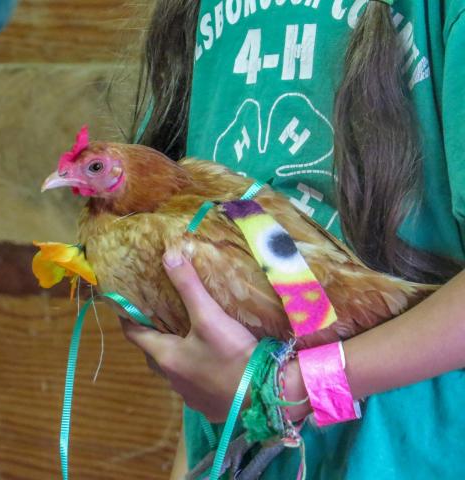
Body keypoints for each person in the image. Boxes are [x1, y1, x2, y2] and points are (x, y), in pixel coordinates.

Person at [120, 0, 465, 478]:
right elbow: (220, 365)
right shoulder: (197, 13)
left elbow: (245, 386)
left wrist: (288, 387)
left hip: (404, 456)